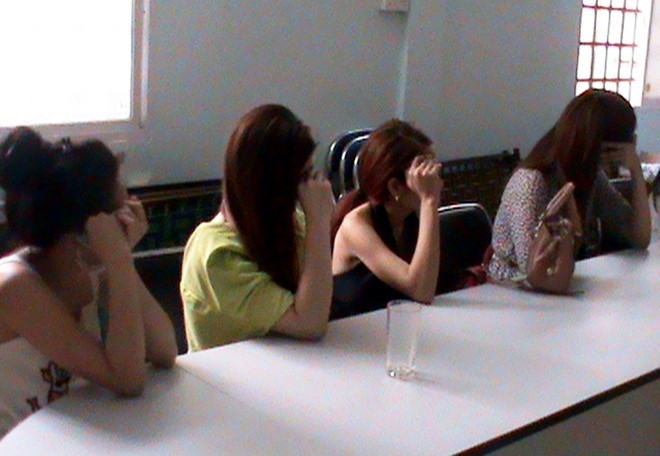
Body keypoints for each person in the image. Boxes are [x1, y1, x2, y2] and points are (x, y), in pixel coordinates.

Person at [0, 127, 177, 437]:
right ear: (86, 230)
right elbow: (127, 379)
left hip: (79, 439)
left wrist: (119, 265)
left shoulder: (92, 267)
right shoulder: (14, 286)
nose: (133, 216)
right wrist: (118, 260)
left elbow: (164, 350)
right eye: (121, 213)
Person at [180, 104, 334, 350]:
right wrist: (319, 223)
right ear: (273, 186)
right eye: (303, 177)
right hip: (229, 374)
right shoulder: (216, 255)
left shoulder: (292, 222)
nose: (312, 187)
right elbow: (311, 323)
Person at [489, 89, 652, 281]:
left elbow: (639, 238)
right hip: (512, 288)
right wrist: (574, 234)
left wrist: (636, 171)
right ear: (593, 144)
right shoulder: (530, 182)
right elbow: (534, 268)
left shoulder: (592, 177)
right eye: (610, 150)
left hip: (558, 284)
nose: (613, 158)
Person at [331, 120, 443, 319]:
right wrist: (429, 200)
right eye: (423, 176)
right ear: (395, 187)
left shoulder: (411, 218)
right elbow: (421, 290)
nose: (437, 184)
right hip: (351, 331)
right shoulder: (355, 226)